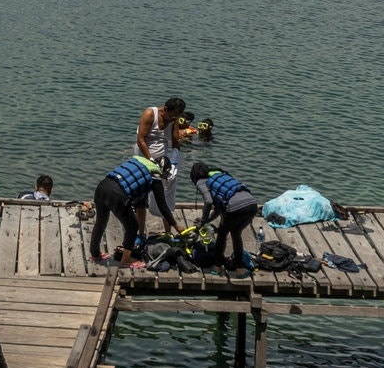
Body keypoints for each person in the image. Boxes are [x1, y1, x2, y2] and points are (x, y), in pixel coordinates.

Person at [89, 153, 170, 264]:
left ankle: (95, 254)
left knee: (100, 222)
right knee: (132, 226)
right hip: (116, 194)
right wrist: (175, 224)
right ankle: (126, 260)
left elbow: (138, 199)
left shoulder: (140, 162)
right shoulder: (154, 176)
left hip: (102, 186)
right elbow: (163, 207)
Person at [190, 161, 260, 270]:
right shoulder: (221, 175)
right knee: (236, 232)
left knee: (222, 234)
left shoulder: (201, 181)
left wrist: (202, 222)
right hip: (252, 204)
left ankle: (217, 264)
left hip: (235, 207)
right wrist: (207, 220)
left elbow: (208, 202)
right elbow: (218, 210)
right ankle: (237, 263)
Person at [136, 97, 189, 226]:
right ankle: (141, 233)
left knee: (165, 196)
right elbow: (141, 139)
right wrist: (151, 161)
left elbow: (175, 142)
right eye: (172, 115)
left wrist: (175, 160)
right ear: (165, 109)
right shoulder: (150, 114)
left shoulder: (173, 119)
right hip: (143, 160)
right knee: (141, 198)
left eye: (176, 117)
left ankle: (168, 232)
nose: (173, 119)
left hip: (162, 164)